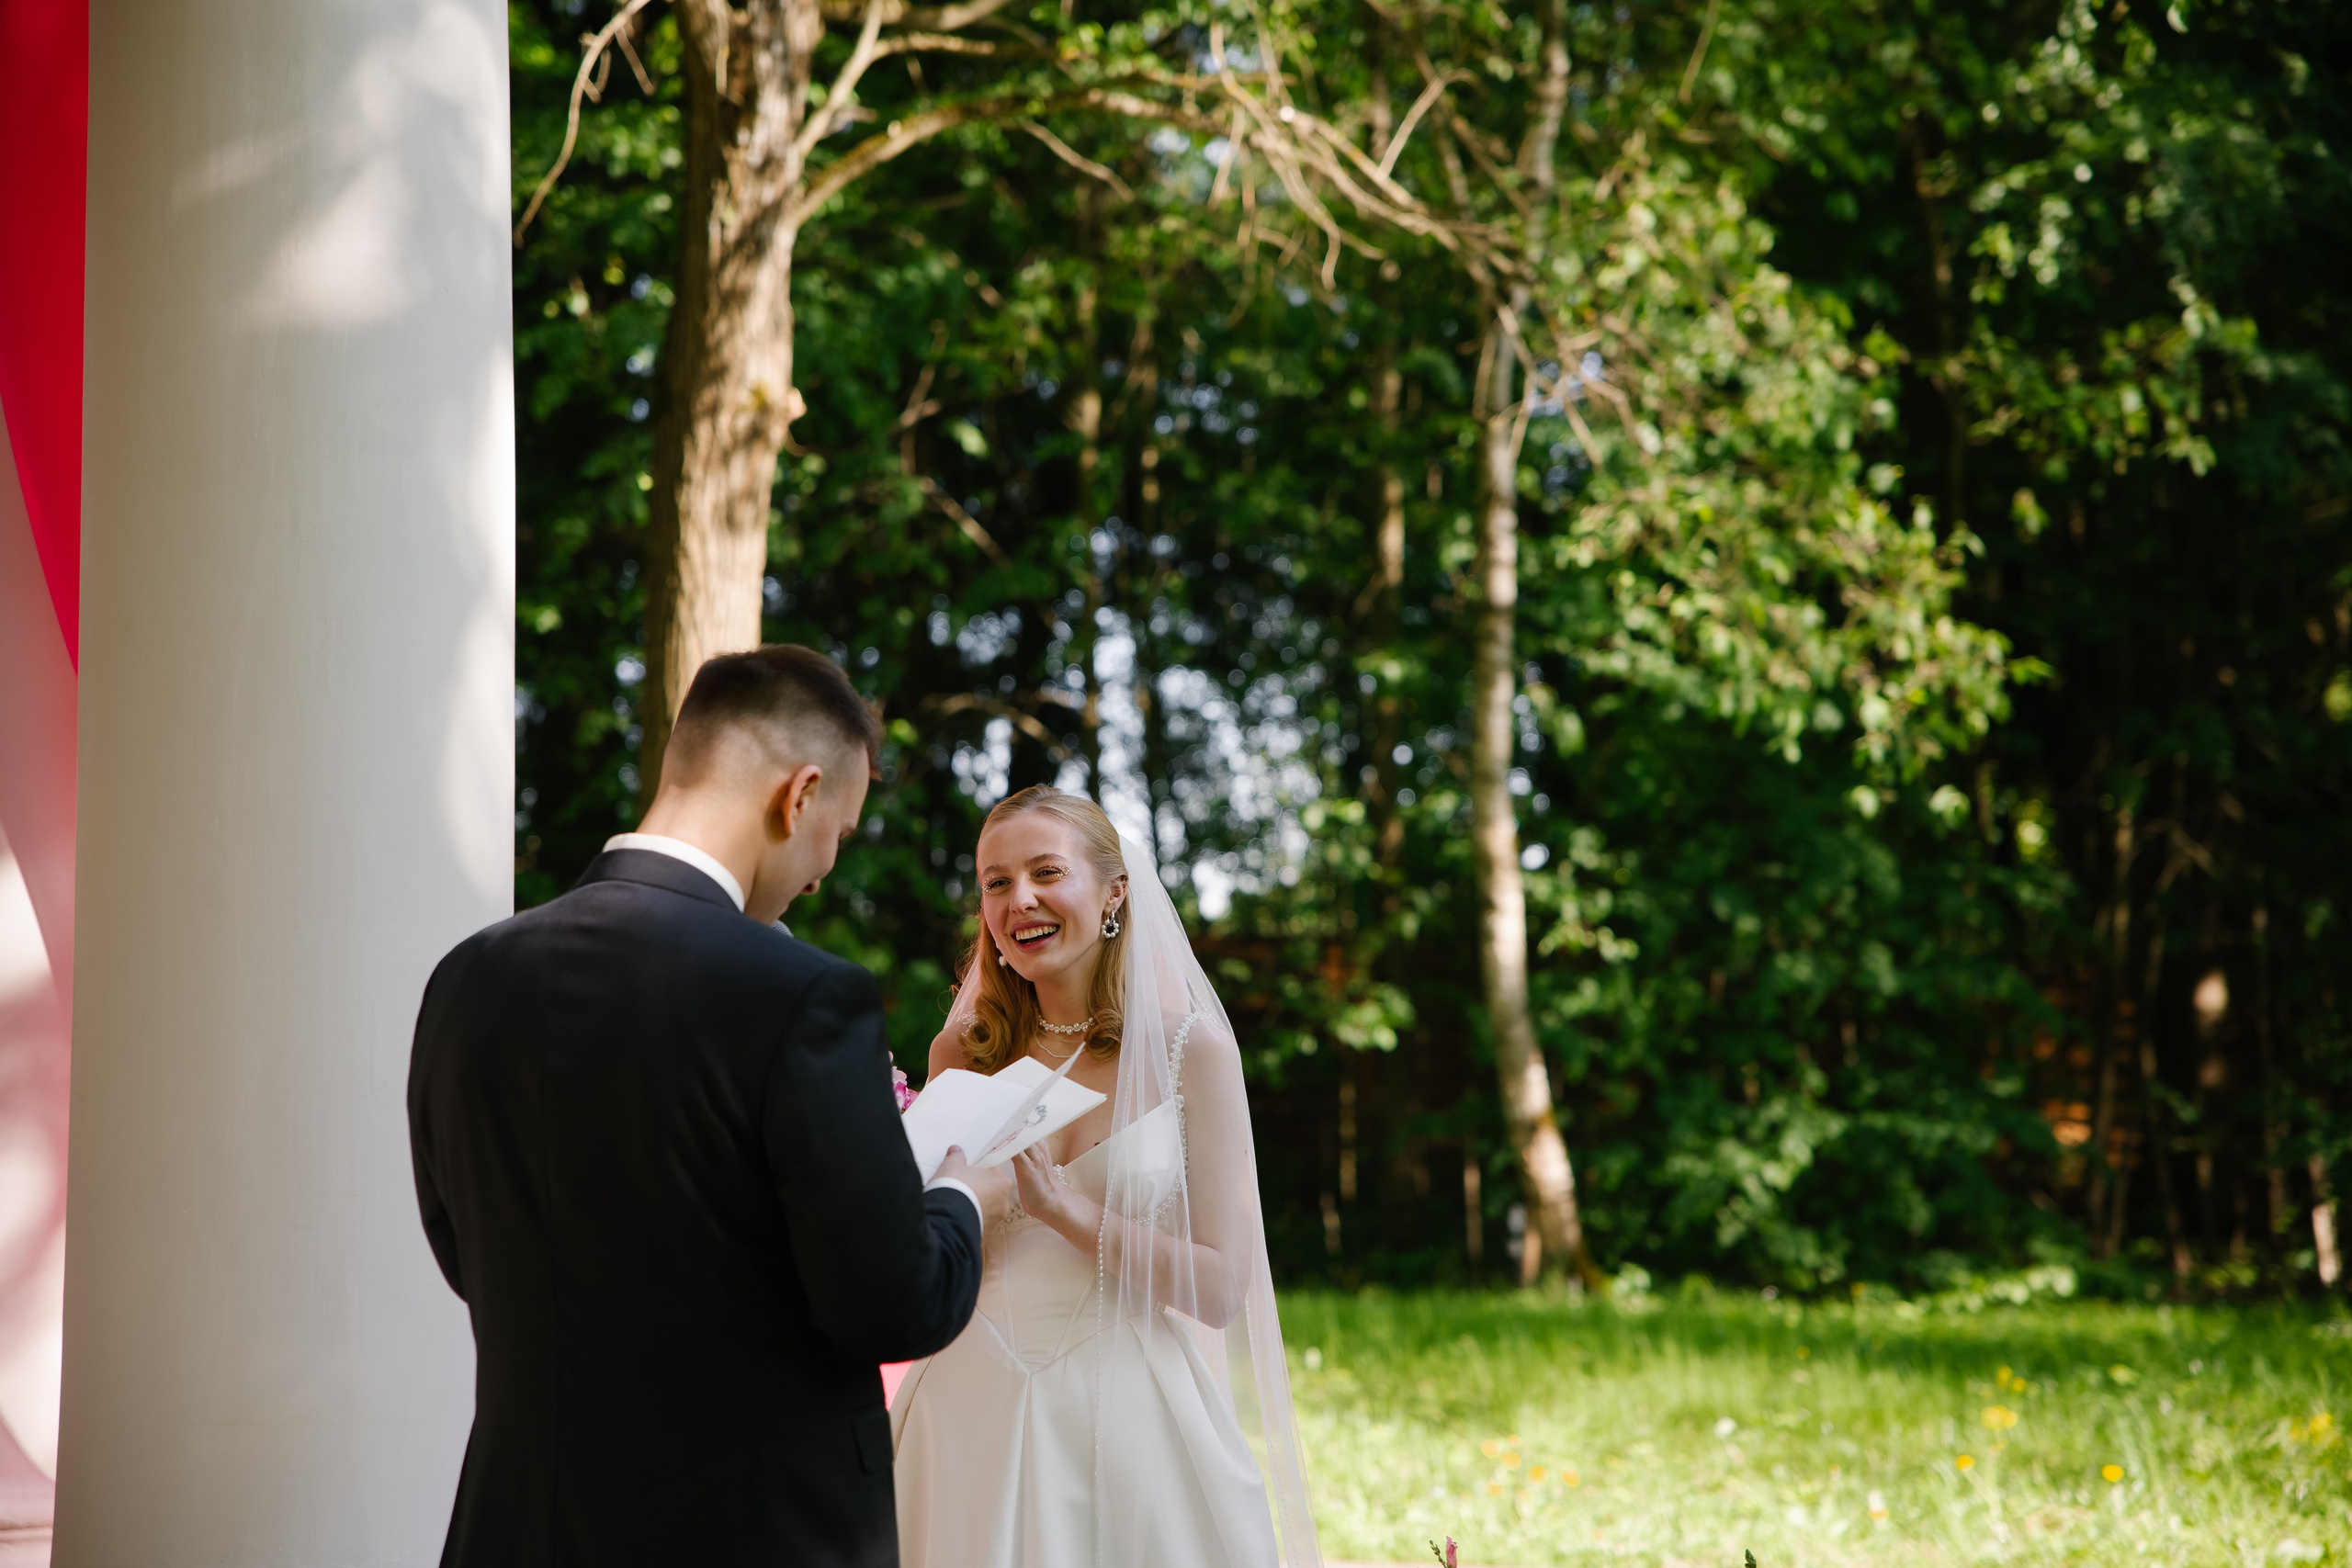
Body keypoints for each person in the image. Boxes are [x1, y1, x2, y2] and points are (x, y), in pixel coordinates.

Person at [407, 644, 1012, 1568]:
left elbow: (463, 1249)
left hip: (515, 1524)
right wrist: (961, 1196)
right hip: (745, 1530)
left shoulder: (468, 977)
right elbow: (892, 1304)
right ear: (798, 795)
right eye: (837, 836)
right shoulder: (801, 995)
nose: (820, 874)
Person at [890, 787, 1322, 1568]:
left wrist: (1064, 1210)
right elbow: (935, 1251)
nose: (1020, 899)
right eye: (995, 881)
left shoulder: (1194, 1054)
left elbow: (1222, 1289)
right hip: (966, 1406)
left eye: (1046, 872)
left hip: (1126, 1407)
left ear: (1115, 890)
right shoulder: (962, 1053)